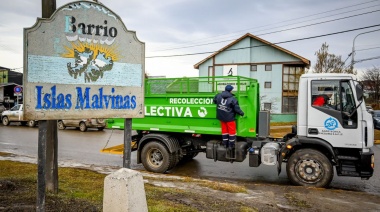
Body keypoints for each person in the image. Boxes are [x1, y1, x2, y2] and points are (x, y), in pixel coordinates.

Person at [213, 85, 244, 149]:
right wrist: (242, 113)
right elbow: (236, 108)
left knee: (224, 130)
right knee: (231, 131)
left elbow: (214, 101)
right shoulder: (233, 99)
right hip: (229, 118)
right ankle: (231, 145)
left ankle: (225, 144)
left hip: (221, 117)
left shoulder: (218, 95)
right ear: (231, 90)